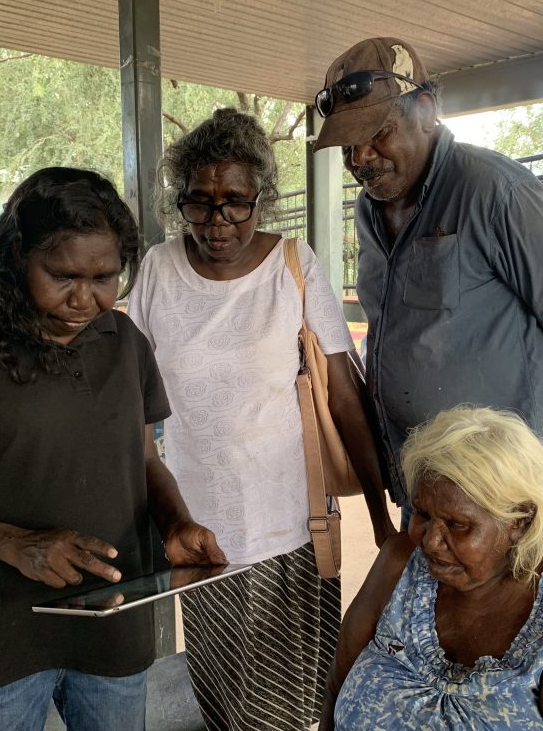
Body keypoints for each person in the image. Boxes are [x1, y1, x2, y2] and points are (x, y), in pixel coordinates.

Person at [0, 167, 225, 731]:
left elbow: (145, 461)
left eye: (106, 277)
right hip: (0, 638)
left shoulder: (125, 345)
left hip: (113, 625)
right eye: (62, 275)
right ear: (16, 258)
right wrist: (17, 545)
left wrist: (175, 523)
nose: (85, 299)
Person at [126, 108, 396, 730]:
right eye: (200, 202)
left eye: (236, 203)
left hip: (289, 529)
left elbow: (345, 394)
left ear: (262, 201)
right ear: (181, 201)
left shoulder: (293, 266)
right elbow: (130, 391)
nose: (217, 222)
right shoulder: (159, 270)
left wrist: (380, 514)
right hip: (200, 530)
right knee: (225, 700)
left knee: (298, 701)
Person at [312, 37, 543, 522]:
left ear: (427, 110)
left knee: (501, 598)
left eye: (377, 132)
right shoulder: (370, 210)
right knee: (430, 597)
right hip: (421, 472)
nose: (360, 156)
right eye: (349, 143)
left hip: (501, 479)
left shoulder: (497, 191)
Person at [321, 406, 543, 730]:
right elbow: (336, 685)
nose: (430, 541)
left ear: (520, 521)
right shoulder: (399, 561)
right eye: (422, 514)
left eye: (457, 525)